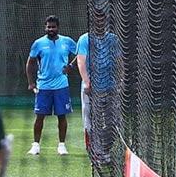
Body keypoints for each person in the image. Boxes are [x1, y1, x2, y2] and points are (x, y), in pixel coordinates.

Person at [25, 15, 77, 156]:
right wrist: (31, 83)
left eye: (53, 27)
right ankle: (35, 145)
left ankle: (61, 145)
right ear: (45, 27)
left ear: (58, 28)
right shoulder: (38, 43)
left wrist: (71, 66)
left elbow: (80, 52)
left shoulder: (67, 41)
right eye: (48, 26)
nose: (51, 29)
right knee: (39, 116)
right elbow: (30, 62)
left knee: (62, 116)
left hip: (61, 86)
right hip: (43, 86)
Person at [76, 11, 122, 166]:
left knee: (112, 122)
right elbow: (81, 62)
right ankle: (95, 153)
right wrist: (87, 82)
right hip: (91, 90)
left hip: (110, 87)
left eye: (102, 21)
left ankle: (105, 150)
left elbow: (119, 61)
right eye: (96, 21)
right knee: (90, 123)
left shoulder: (113, 39)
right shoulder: (85, 39)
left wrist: (120, 81)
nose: (99, 24)